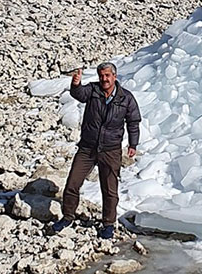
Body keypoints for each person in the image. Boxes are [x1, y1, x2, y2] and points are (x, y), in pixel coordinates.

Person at [51, 62, 141, 239]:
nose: (104, 79)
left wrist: (133, 144)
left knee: (109, 190)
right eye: (101, 76)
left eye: (107, 76)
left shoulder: (126, 98)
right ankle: (68, 216)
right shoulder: (93, 90)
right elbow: (78, 94)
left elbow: (133, 122)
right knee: (72, 184)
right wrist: (76, 83)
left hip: (111, 150)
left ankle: (108, 224)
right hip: (87, 148)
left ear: (114, 76)